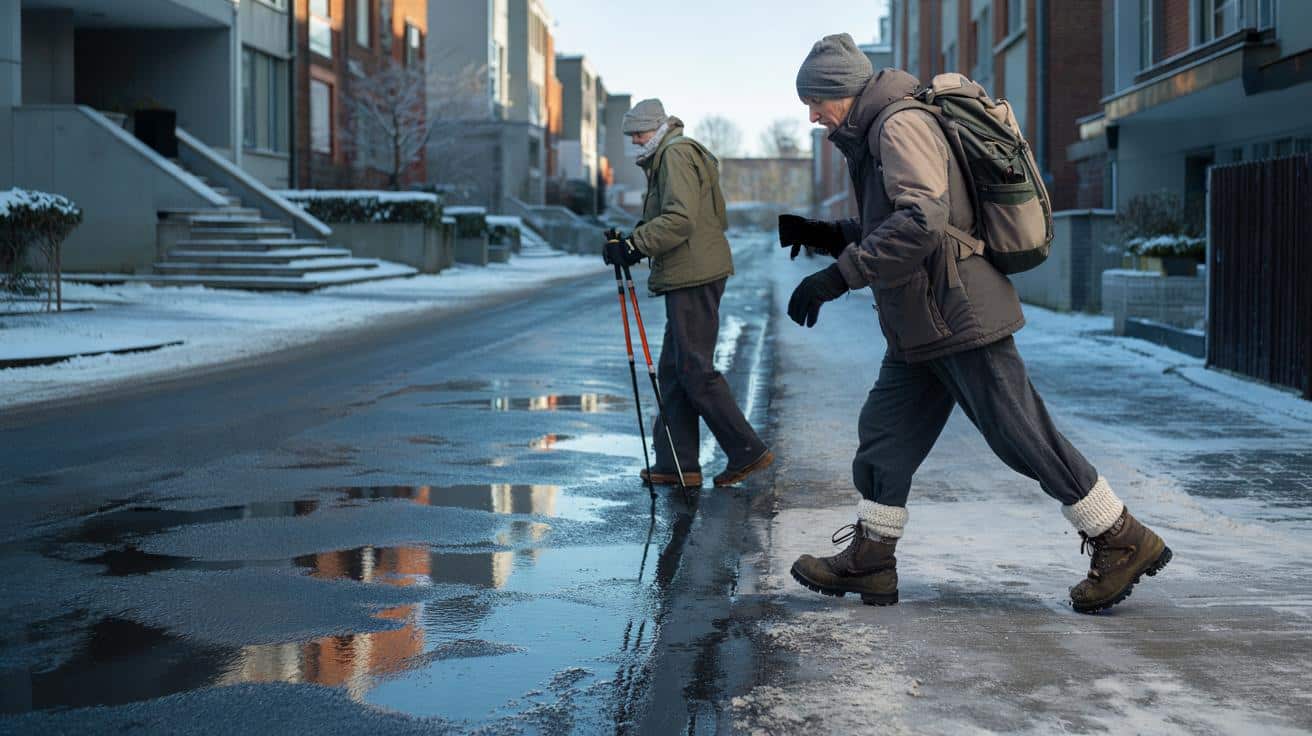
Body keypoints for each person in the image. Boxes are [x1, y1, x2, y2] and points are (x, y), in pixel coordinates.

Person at [778, 35, 1171, 613]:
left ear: (844, 91)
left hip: (956, 313)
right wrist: (827, 232)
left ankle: (1121, 537)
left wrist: (840, 275)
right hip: (920, 322)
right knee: (884, 436)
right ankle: (871, 559)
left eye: (817, 101)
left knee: (1021, 434)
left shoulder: (898, 125)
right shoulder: (875, 132)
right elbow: (902, 217)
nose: (812, 115)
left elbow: (924, 221)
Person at [603, 98, 773, 488]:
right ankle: (677, 463)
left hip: (695, 274)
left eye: (639, 133)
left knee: (694, 369)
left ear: (657, 128)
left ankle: (747, 450)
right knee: (674, 370)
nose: (635, 142)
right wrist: (628, 241)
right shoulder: (669, 155)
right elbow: (672, 216)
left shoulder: (675, 155)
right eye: (631, 136)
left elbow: (680, 219)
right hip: (688, 272)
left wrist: (634, 246)